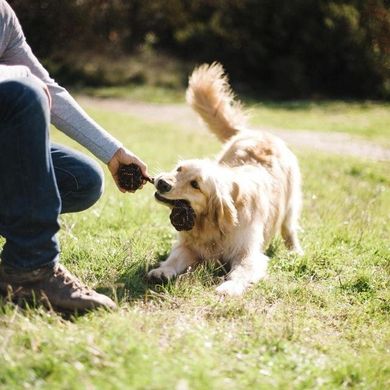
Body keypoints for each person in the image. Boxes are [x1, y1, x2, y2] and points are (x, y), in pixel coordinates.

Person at [0, 0, 150, 312]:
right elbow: (25, 86)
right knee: (22, 92)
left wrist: (112, 152)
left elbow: (48, 89)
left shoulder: (3, 16)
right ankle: (31, 270)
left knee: (81, 179)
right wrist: (21, 79)